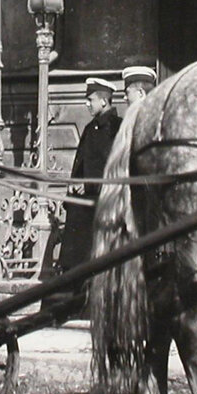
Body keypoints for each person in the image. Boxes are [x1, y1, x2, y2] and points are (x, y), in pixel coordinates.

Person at [58, 77, 122, 276]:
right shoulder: (89, 128)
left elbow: (115, 166)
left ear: (103, 101)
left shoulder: (117, 128)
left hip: (104, 201)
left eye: (90, 99)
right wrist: (74, 184)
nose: (87, 104)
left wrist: (90, 187)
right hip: (85, 201)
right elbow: (81, 164)